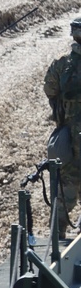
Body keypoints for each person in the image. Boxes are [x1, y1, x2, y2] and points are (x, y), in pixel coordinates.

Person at [42, 16, 81, 238]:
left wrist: (63, 112)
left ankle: (57, 236)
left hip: (69, 135)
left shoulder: (61, 65)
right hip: (71, 135)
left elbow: (50, 90)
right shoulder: (61, 64)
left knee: (66, 186)